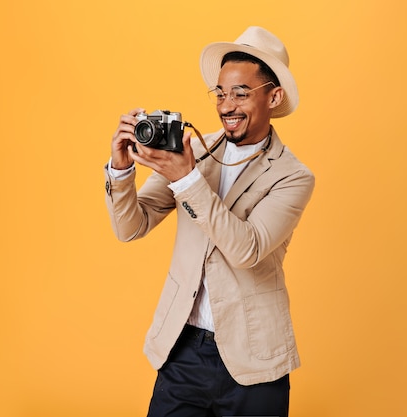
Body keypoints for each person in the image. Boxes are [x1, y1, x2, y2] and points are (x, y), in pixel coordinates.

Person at [104, 26, 315, 417]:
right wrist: (120, 170)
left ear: (274, 96)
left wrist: (185, 178)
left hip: (255, 360)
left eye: (240, 92)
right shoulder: (195, 150)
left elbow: (247, 249)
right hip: (182, 349)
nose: (226, 104)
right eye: (219, 92)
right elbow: (131, 226)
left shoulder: (293, 176)